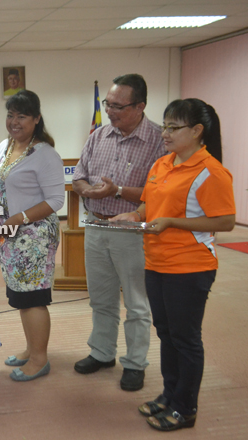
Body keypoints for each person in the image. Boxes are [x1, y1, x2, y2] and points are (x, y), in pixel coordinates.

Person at [113, 98, 235, 431]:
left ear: (197, 131)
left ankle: (186, 407)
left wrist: (171, 222)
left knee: (186, 338)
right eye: (164, 125)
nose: (164, 133)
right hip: (157, 263)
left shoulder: (211, 171)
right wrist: (135, 215)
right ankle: (169, 395)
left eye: (173, 127)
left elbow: (225, 221)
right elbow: (148, 207)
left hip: (190, 268)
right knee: (166, 333)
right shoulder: (161, 165)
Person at [72, 74, 167, 391]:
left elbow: (160, 193)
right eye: (107, 104)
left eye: (118, 106)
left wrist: (117, 192)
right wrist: (91, 191)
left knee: (137, 304)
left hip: (132, 231)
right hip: (96, 226)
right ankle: (102, 353)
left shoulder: (158, 140)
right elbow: (79, 178)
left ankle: (135, 363)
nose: (110, 111)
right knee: (101, 299)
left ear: (140, 106)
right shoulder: (99, 136)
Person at [0, 90, 64, 382]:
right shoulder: (4, 146)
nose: (14, 121)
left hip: (34, 236)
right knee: (20, 295)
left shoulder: (45, 153)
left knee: (33, 297)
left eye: (22, 116)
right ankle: (30, 349)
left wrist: (18, 219)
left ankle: (39, 359)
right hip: (9, 234)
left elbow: (56, 200)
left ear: (36, 119)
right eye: (11, 114)